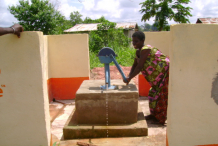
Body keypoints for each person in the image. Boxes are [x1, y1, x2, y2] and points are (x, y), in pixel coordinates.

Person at [124, 31, 170, 125]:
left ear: (142, 41)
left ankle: (160, 119)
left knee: (160, 96)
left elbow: (139, 67)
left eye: (136, 41)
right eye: (133, 41)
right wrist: (128, 76)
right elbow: (134, 65)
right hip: (156, 78)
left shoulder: (146, 49)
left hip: (164, 73)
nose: (134, 43)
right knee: (152, 94)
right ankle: (153, 115)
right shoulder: (138, 52)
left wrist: (129, 78)